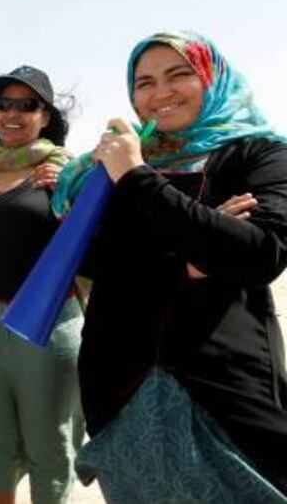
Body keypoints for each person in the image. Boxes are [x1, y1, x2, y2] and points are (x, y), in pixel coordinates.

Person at [55, 31, 287, 501]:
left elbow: (262, 252)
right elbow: (91, 260)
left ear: (211, 78)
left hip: (227, 397)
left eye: (179, 74)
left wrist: (138, 179)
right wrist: (197, 251)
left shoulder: (259, 153)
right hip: (119, 394)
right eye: (144, 82)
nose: (160, 93)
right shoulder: (103, 168)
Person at [0, 65, 84, 504]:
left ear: (46, 117)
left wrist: (66, 194)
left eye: (28, 106)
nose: (13, 114)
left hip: (49, 324)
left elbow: (92, 244)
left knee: (49, 446)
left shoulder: (69, 172)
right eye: (4, 105)